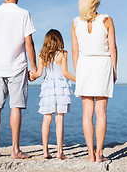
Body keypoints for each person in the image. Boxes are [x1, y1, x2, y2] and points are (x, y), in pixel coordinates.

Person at [0, 0, 37, 159]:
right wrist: (34, 68)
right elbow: (28, 43)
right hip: (18, 67)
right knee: (15, 107)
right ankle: (15, 150)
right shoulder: (24, 14)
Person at [71, 0, 117, 162]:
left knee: (87, 112)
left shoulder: (75, 22)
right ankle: (99, 154)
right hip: (103, 64)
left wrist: (78, 70)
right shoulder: (106, 19)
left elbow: (75, 51)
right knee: (101, 112)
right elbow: (113, 48)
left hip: (84, 65)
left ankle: (90, 154)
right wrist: (114, 69)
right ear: (97, 0)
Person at [29, 29, 75, 159]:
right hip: (61, 88)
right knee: (59, 119)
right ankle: (60, 152)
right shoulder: (63, 53)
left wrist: (30, 75)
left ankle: (45, 152)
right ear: (59, 40)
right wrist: (79, 79)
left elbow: (38, 74)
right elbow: (65, 73)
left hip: (48, 88)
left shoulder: (42, 55)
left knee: (46, 119)